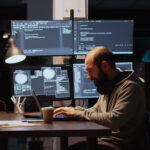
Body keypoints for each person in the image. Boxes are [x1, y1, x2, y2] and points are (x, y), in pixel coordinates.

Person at [53, 46, 146, 150]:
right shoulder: (108, 85)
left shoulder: (130, 88)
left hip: (118, 146)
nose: (88, 76)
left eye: (90, 70)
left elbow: (113, 119)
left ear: (105, 66)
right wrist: (74, 111)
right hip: (102, 143)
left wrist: (78, 113)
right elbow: (96, 110)